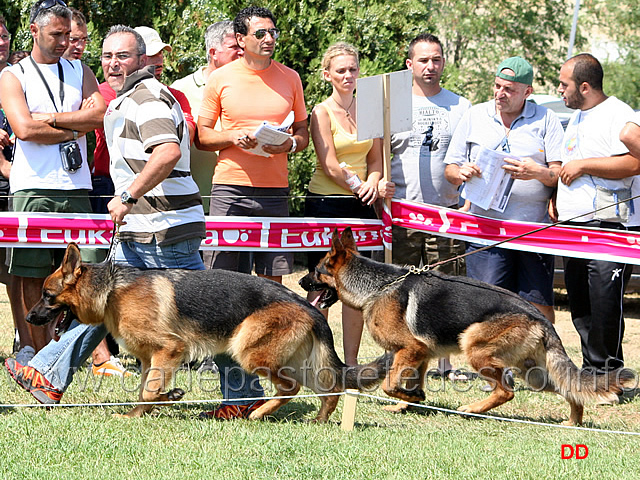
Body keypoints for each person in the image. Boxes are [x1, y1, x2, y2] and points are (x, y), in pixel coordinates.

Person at [4, 25, 206, 405]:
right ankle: (47, 373)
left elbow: (167, 152)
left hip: (164, 229)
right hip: (141, 226)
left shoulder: (148, 99)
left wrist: (128, 194)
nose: (114, 64)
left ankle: (243, 393)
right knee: (101, 302)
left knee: (209, 314)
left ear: (143, 59)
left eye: (123, 56)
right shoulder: (128, 98)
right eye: (108, 56)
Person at [195, 6, 308, 420]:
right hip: (229, 187)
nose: (269, 39)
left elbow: (302, 133)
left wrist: (289, 146)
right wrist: (232, 136)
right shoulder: (220, 78)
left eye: (273, 32)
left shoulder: (291, 77)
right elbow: (203, 136)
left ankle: (269, 379)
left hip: (275, 191)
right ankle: (234, 387)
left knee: (271, 285)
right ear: (240, 39)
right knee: (220, 285)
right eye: (261, 32)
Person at [0, 0, 106, 362]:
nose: (64, 42)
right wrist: (75, 124)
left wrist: (55, 120)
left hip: (77, 186)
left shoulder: (79, 70)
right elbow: (24, 128)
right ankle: (38, 352)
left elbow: (100, 115)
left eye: (67, 34)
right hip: (32, 186)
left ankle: (71, 353)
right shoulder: (14, 75)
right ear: (34, 31)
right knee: (31, 274)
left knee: (84, 274)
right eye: (56, 34)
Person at [379, 33, 472, 381]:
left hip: (445, 216)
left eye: (436, 59)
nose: (430, 66)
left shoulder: (460, 107)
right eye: (422, 60)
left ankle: (447, 365)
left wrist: (465, 198)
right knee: (400, 291)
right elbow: (378, 156)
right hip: (402, 214)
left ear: (443, 62)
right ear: (409, 65)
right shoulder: (394, 104)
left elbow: (467, 158)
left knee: (446, 290)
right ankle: (399, 358)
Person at [444, 56, 563, 324]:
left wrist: (537, 172)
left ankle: (538, 364)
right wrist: (461, 173)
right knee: (486, 308)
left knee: (537, 307)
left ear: (527, 92)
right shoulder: (475, 115)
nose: (500, 94)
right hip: (485, 231)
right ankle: (494, 366)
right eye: (497, 86)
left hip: (533, 231)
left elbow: (558, 175)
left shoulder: (547, 119)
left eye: (509, 89)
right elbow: (450, 170)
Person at [554, 53, 638, 373]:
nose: (560, 91)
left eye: (564, 85)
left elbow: (635, 162)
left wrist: (582, 165)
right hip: (574, 224)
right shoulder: (578, 116)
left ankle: (608, 372)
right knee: (581, 303)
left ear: (585, 86)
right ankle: (592, 369)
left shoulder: (617, 113)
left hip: (608, 224)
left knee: (604, 304)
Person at [305, 42, 381, 366]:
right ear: (327, 75)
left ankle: (350, 363)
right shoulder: (320, 112)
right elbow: (330, 164)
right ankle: (314, 358)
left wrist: (374, 183)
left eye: (352, 69)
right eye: (341, 70)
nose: (348, 75)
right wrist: (360, 186)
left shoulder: (372, 107)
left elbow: (377, 160)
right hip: (326, 203)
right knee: (321, 282)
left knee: (356, 288)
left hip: (362, 204)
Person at [171, 21, 243, 212]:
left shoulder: (251, 88)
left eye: (242, 47)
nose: (242, 52)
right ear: (213, 53)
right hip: (193, 203)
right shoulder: (180, 90)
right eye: (234, 47)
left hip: (240, 200)